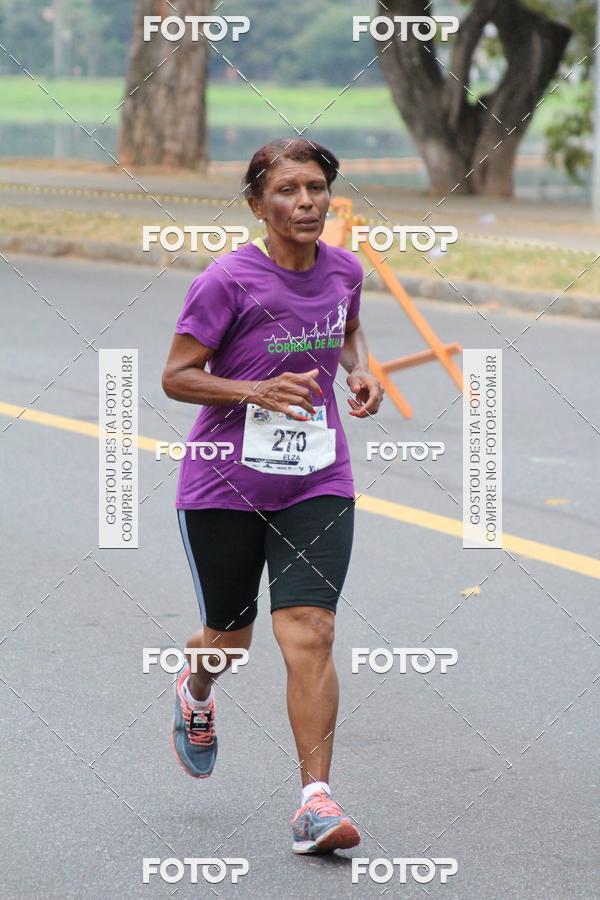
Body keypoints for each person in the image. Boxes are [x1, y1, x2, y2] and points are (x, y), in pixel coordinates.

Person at [162, 137, 384, 854]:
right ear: (258, 205)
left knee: (311, 629)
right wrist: (254, 387)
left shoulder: (346, 270)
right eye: (287, 191)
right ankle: (196, 691)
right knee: (230, 636)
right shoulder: (227, 280)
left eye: (316, 188)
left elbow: (346, 332)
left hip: (317, 478)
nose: (306, 203)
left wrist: (360, 371)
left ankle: (315, 801)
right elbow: (177, 375)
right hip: (223, 483)